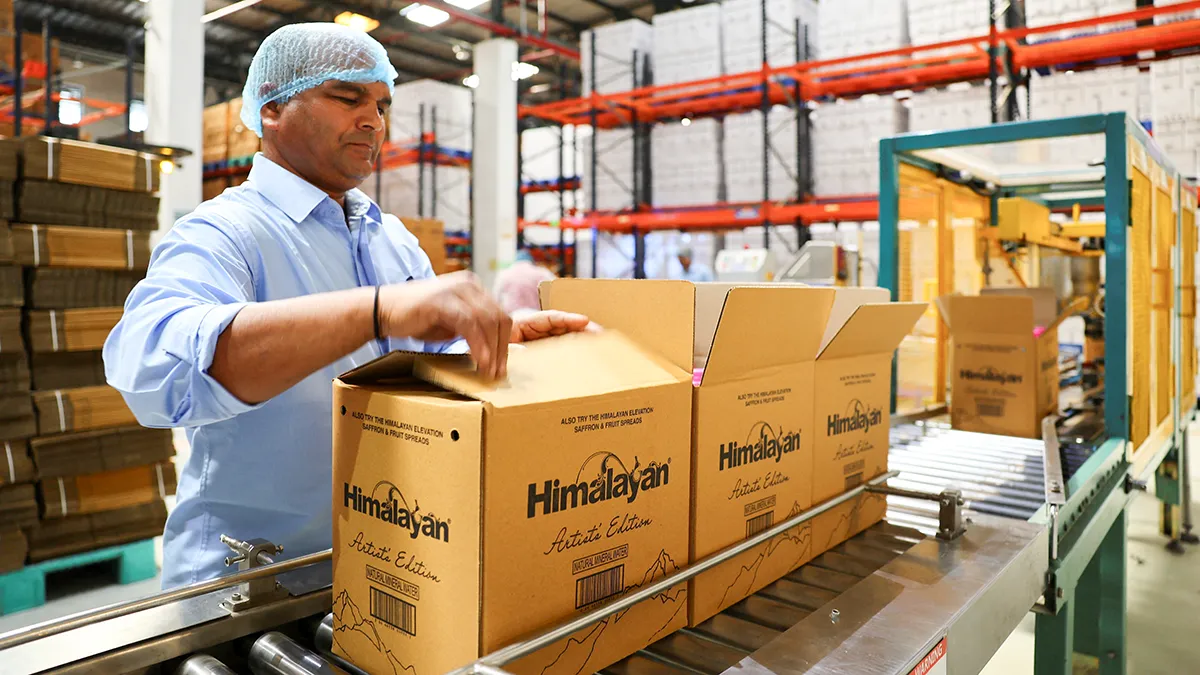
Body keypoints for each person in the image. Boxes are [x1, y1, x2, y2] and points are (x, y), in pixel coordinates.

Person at [103, 24, 592, 588]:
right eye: (347, 97)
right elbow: (154, 371)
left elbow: (424, 362)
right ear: (272, 110)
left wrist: (490, 340)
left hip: (388, 563)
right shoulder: (224, 232)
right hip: (253, 584)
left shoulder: (392, 239)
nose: (374, 121)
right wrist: (376, 309)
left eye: (382, 104)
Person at [494, 250, 557, 317]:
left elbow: (496, 297)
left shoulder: (504, 274)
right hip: (535, 315)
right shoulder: (541, 272)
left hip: (513, 316)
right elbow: (557, 287)